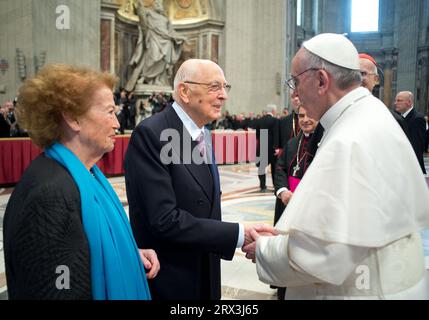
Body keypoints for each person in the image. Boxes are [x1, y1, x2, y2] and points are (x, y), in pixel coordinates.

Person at [243, 33, 429, 299]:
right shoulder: (370, 113)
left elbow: (323, 256)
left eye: (296, 82)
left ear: (321, 80)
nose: (294, 94)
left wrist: (264, 248)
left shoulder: (348, 138)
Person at [3, 64, 159, 300]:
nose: (117, 123)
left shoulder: (87, 175)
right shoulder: (49, 195)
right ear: (73, 118)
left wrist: (127, 253)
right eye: (109, 112)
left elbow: (78, 248)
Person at [124, 59, 276, 300]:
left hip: (205, 268)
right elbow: (164, 219)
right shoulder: (152, 133)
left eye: (225, 87)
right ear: (185, 91)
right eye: (215, 87)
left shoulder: (201, 132)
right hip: (172, 278)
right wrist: (237, 234)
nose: (224, 96)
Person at [272, 105, 322, 300]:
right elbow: (280, 169)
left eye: (310, 115)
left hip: (312, 209)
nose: (306, 119)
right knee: (286, 251)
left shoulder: (325, 143)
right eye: (301, 116)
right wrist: (283, 192)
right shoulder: (293, 143)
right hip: (288, 206)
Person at [125, 0, 186, 91]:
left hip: (166, 41)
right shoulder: (149, 13)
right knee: (152, 58)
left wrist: (180, 37)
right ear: (153, 5)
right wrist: (139, 6)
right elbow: (141, 17)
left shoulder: (166, 19)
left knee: (163, 60)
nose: (159, 5)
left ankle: (158, 79)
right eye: (157, 4)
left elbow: (171, 32)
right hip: (153, 38)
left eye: (160, 4)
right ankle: (145, 77)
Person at [359, 53, 412, 142]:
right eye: (352, 74)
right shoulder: (337, 117)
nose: (357, 78)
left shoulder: (394, 120)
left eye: (362, 73)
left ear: (376, 79)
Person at [394, 91, 427, 174]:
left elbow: (417, 148)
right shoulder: (398, 117)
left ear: (408, 102)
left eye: (399, 100)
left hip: (412, 169)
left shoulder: (417, 119)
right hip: (400, 166)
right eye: (396, 100)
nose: (395, 103)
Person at [255, 104, 279, 192]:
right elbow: (276, 134)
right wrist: (276, 147)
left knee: (261, 167)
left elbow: (257, 135)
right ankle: (275, 185)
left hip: (262, 144)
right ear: (273, 111)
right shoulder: (275, 120)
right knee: (274, 167)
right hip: (272, 146)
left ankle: (262, 185)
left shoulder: (259, 120)